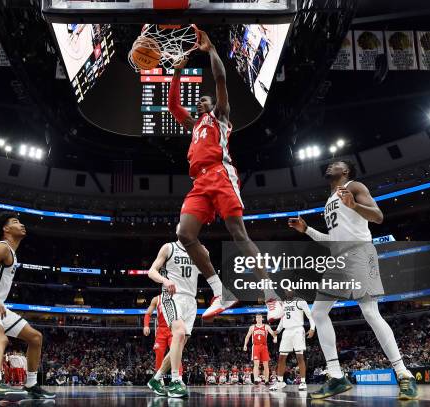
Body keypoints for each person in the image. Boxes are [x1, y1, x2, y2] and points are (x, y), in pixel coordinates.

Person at [167, 29, 279, 319]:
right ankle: (220, 291)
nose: (200, 103)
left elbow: (219, 79)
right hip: (199, 182)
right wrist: (177, 74)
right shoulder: (194, 125)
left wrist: (212, 49)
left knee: (238, 233)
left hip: (220, 173)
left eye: (204, 100)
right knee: (185, 234)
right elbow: (173, 106)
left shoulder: (220, 115)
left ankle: (271, 297)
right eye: (200, 102)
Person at [288, 160, 418, 400]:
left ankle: (404, 374)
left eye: (336, 164)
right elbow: (333, 240)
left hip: (359, 253)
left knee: (370, 312)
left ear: (345, 171)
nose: (330, 166)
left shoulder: (354, 186)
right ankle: (337, 376)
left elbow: (378, 216)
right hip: (338, 258)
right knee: (318, 313)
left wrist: (354, 204)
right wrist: (306, 230)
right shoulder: (329, 202)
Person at [0, 211, 55, 402]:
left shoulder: (12, 252)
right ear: (6, 229)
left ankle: (31, 385)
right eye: (16, 222)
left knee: (35, 337)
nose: (21, 225)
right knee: (0, 339)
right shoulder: (2, 247)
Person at [146, 236, 203, 398]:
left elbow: (208, 272)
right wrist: (164, 280)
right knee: (178, 333)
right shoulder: (168, 248)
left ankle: (156, 379)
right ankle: (175, 381)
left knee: (179, 345)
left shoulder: (199, 251)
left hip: (191, 301)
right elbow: (151, 271)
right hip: (171, 296)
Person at [269, 290, 315, 391]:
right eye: (286, 290)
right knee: (281, 358)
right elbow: (282, 319)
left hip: (298, 330)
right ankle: (280, 382)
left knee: (299, 356)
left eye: (290, 290)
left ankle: (303, 382)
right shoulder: (283, 303)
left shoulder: (301, 301)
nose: (287, 292)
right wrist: (278, 330)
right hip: (286, 332)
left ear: (294, 291)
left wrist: (312, 328)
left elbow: (310, 315)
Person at [243, 314, 276, 384]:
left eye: (259, 317)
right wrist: (245, 345)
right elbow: (247, 336)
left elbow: (273, 333)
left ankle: (266, 380)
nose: (258, 318)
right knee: (256, 364)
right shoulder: (252, 327)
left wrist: (275, 338)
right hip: (256, 346)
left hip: (264, 346)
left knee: (266, 364)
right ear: (255, 319)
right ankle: (255, 379)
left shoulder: (266, 326)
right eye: (257, 317)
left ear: (262, 318)